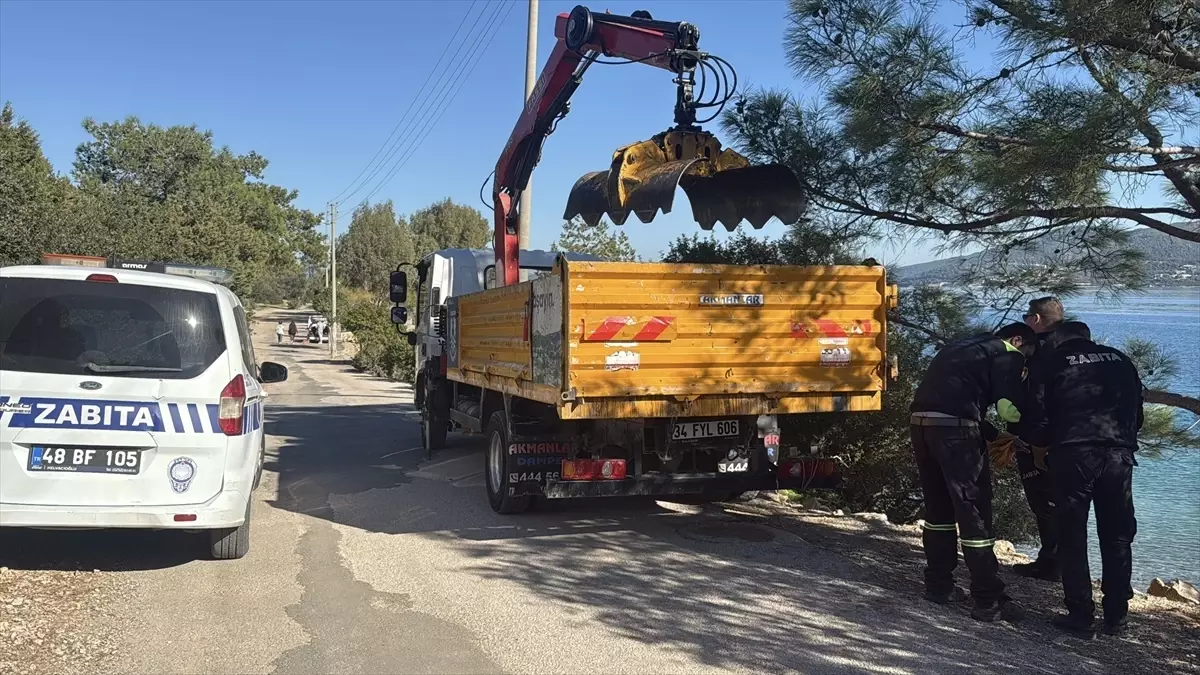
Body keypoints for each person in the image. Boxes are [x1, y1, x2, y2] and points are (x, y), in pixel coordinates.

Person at [910, 322, 1037, 623]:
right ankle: (987, 598)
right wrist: (1035, 422)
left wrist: (994, 436)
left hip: (921, 427)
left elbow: (956, 401)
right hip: (956, 434)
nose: (1023, 362)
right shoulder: (1008, 352)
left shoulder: (958, 347)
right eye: (1026, 354)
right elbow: (1009, 410)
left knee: (939, 511)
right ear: (1017, 339)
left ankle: (939, 586)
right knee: (974, 513)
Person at [1025, 321, 1143, 637]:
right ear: (1088, 338)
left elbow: (1036, 419)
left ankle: (1080, 613)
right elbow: (1138, 416)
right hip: (1119, 455)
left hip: (1073, 455)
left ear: (1060, 341)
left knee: (1073, 532)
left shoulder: (1051, 363)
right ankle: (1117, 615)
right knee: (1117, 533)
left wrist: (1042, 448)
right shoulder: (1121, 359)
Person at [1007, 295, 1067, 581]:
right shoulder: (1068, 347)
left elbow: (1036, 398)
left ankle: (1052, 562)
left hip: (1037, 438)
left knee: (1042, 501)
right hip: (1069, 437)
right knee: (1060, 503)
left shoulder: (1040, 351)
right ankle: (1057, 559)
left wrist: (1036, 444)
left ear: (1036, 319)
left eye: (1026, 317)